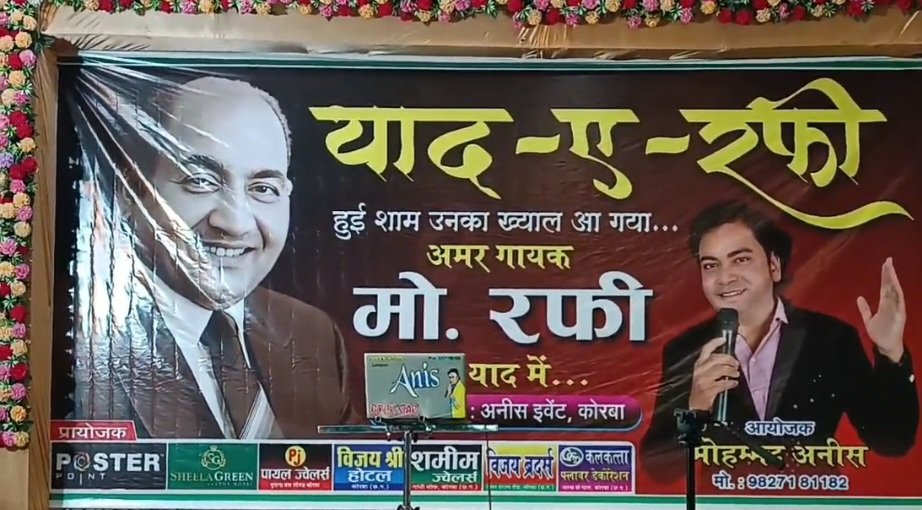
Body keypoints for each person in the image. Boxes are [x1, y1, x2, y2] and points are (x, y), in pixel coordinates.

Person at [69, 76, 358, 439]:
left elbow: (353, 468)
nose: (235, 223)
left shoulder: (311, 334)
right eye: (200, 181)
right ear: (131, 191)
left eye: (263, 188)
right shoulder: (83, 340)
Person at [640, 200, 919, 482]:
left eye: (740, 259)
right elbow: (660, 470)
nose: (725, 278)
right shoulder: (686, 350)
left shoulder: (830, 338)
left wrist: (890, 351)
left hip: (811, 494)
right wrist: (695, 408)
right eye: (711, 265)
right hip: (726, 497)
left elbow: (892, 442)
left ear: (773, 266)